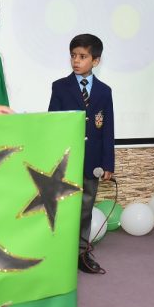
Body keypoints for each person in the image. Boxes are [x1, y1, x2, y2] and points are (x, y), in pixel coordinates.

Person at [48, 34, 114, 274]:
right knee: (63, 209)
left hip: (92, 162)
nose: (76, 61)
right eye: (73, 56)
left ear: (96, 61)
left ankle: (81, 253)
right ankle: (59, 254)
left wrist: (108, 163)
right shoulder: (60, 87)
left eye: (83, 57)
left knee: (85, 209)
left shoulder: (104, 91)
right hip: (66, 161)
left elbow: (107, 129)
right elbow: (53, 125)